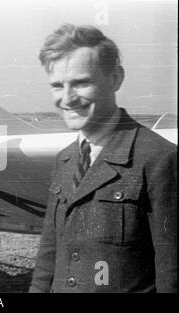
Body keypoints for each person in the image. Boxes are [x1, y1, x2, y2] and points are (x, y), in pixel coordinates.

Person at [29, 24, 177, 293]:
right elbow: (47, 264)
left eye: (81, 83)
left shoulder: (159, 159)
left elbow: (172, 274)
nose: (67, 98)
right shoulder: (65, 160)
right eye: (57, 86)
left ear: (116, 78)